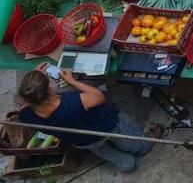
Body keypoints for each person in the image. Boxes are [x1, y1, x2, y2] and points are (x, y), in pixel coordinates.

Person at [18, 64, 152, 173]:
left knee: (104, 151)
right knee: (127, 140)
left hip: (82, 141)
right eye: (49, 81)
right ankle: (141, 148)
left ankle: (127, 164)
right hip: (107, 126)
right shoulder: (73, 103)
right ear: (49, 89)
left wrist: (33, 84)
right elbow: (98, 96)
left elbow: (24, 103)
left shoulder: (27, 116)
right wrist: (71, 81)